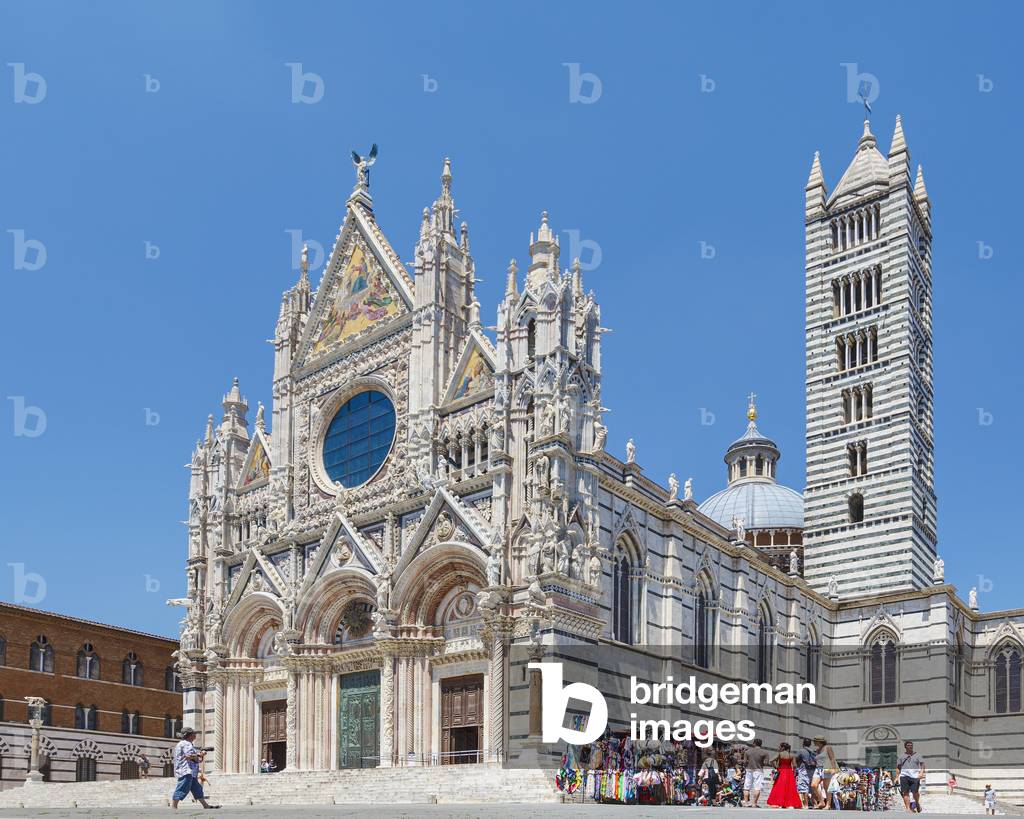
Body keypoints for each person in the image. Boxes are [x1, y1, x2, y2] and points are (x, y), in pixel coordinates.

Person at [171, 727, 220, 811]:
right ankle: (173, 806)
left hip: (189, 771)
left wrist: (199, 755)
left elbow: (191, 757)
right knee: (182, 787)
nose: (195, 735)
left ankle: (205, 805)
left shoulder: (184, 743)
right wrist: (200, 754)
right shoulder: (186, 744)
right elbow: (189, 756)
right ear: (190, 735)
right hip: (186, 771)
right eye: (194, 734)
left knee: (197, 788)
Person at [767, 742, 803, 809]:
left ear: (783, 747)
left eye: (780, 747)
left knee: (780, 786)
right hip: (789, 772)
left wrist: (776, 767)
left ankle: (778, 802)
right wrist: (794, 771)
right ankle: (789, 804)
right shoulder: (791, 755)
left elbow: (771, 760)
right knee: (789, 788)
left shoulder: (780, 754)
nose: (779, 748)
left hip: (781, 770)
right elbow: (795, 765)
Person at [897, 740, 926, 813]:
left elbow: (922, 764)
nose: (910, 746)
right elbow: (898, 767)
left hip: (915, 776)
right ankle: (908, 808)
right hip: (904, 776)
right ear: (905, 747)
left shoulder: (917, 755)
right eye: (908, 745)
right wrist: (897, 776)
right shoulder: (901, 756)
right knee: (905, 792)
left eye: (911, 745)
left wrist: (921, 773)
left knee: (915, 792)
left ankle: (917, 803)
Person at [810, 735, 839, 809]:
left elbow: (832, 758)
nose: (813, 742)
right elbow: (818, 759)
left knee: (826, 787)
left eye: (815, 741)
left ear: (819, 741)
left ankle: (828, 804)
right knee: (814, 785)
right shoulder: (817, 750)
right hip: (818, 769)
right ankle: (821, 801)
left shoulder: (828, 747)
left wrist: (833, 768)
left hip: (826, 768)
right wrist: (813, 762)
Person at [744, 738, 770, 808]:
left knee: (746, 787)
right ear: (761, 744)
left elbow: (745, 762)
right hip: (758, 770)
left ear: (754, 743)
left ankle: (746, 803)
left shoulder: (747, 752)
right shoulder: (765, 752)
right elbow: (766, 763)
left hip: (749, 770)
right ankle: (754, 803)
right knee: (757, 788)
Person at [795, 738, 816, 808]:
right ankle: (814, 804)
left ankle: (806, 805)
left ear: (803, 743)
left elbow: (796, 759)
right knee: (811, 788)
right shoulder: (813, 752)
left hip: (804, 770)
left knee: (804, 788)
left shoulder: (801, 751)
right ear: (810, 744)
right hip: (812, 771)